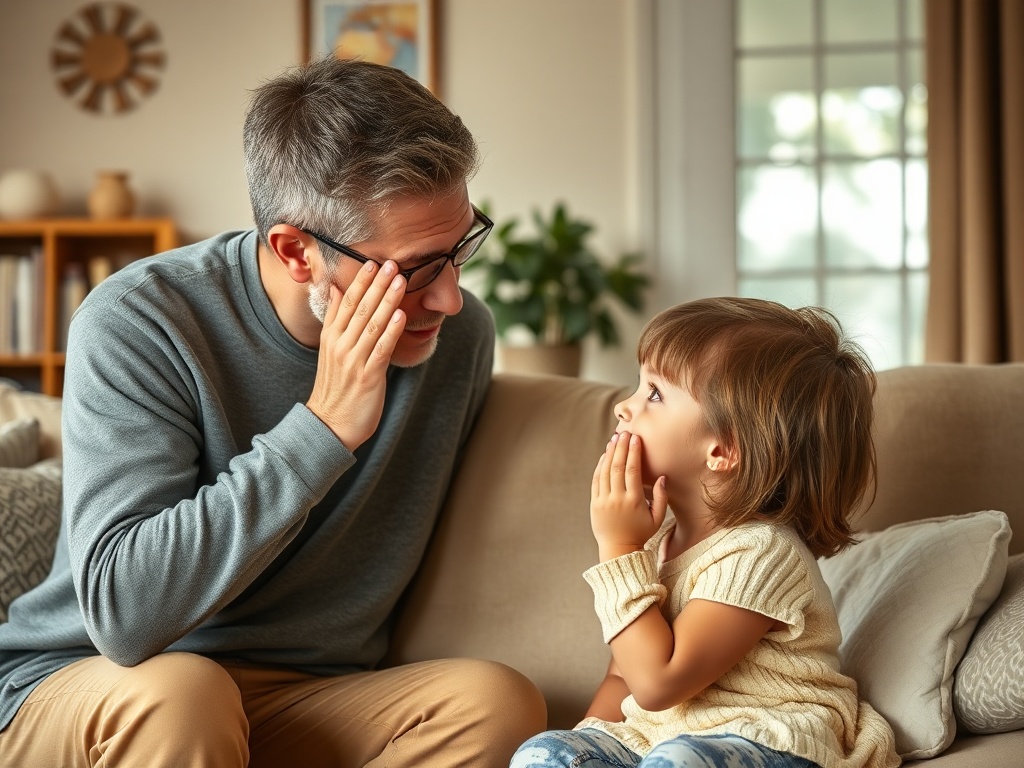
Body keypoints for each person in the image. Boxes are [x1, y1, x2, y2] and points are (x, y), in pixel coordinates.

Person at [0, 56, 546, 767]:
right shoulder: (143, 319)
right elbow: (124, 618)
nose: (447, 299)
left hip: (300, 693)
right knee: (185, 694)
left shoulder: (456, 336)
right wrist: (322, 429)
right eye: (415, 270)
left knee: (494, 701)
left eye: (459, 250)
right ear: (297, 252)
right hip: (102, 682)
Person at [511, 297, 900, 768]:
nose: (622, 407)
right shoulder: (657, 543)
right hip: (663, 743)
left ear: (723, 450)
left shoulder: (762, 551)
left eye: (653, 394)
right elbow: (623, 680)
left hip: (768, 741)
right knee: (546, 753)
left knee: (678, 762)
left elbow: (659, 681)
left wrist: (616, 547)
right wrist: (586, 744)